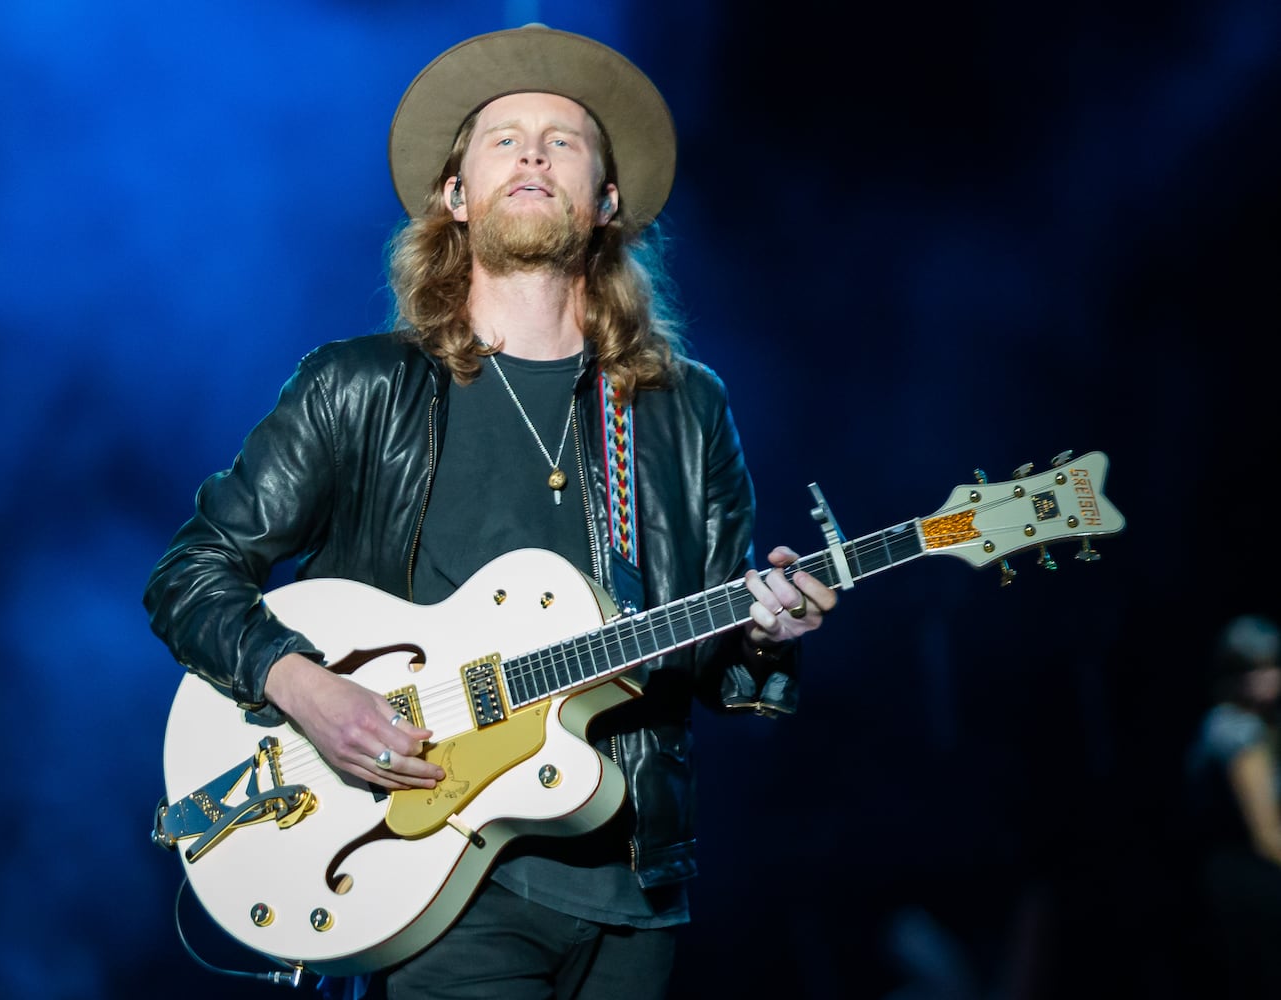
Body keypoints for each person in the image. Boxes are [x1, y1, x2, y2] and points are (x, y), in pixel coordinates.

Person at [144, 24, 836, 1000]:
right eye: (502, 137)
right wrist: (301, 687)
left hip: (634, 893)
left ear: (603, 201)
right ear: (455, 195)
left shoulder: (684, 411)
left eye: (562, 140)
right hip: (420, 875)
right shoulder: (358, 387)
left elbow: (716, 661)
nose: (531, 154)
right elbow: (189, 573)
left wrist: (767, 632)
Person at [1182, 613, 1281, 998]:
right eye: (1253, 669)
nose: (1266, 678)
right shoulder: (1236, 730)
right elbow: (1267, 833)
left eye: (1271, 666)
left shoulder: (1251, 724)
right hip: (1246, 885)